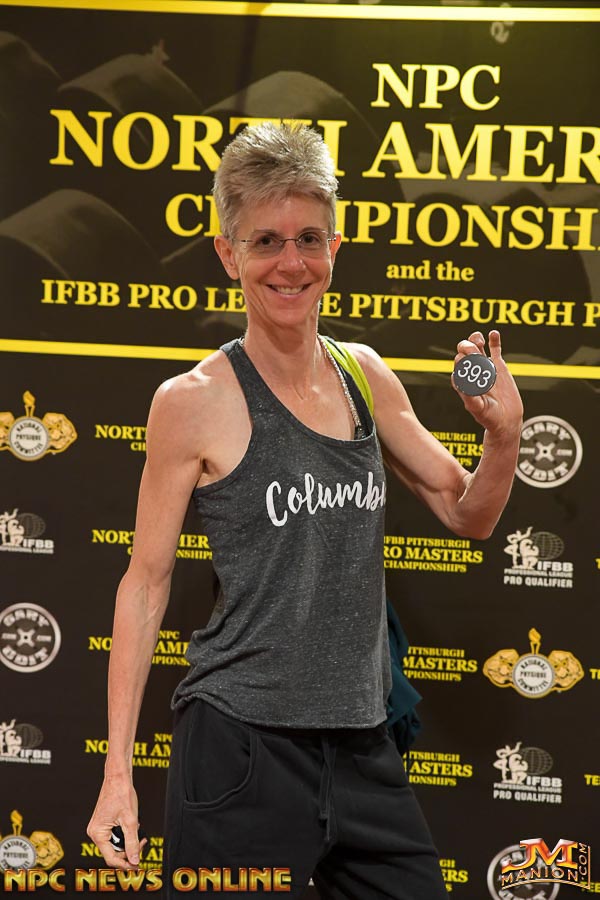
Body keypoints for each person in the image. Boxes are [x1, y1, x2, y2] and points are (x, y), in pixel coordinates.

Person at [88, 122, 523, 898]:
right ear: (228, 254)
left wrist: (503, 436)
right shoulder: (190, 402)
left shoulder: (366, 377)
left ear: (335, 247)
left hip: (362, 748)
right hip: (241, 751)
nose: (291, 263)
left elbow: (470, 516)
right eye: (266, 242)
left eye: (309, 240)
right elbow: (145, 584)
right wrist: (116, 773)